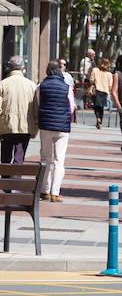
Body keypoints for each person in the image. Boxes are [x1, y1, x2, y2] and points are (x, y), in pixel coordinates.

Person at [36, 60, 75, 201]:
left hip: (46, 126)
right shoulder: (67, 87)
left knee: (45, 158)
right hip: (62, 127)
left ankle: (44, 190)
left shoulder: (41, 86)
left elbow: (39, 103)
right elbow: (71, 107)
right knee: (59, 160)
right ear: (60, 71)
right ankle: (55, 192)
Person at [0, 55, 37, 164]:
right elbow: (35, 109)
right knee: (19, 157)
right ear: (23, 67)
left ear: (10, 67)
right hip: (25, 127)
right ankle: (16, 179)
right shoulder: (31, 85)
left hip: (6, 126)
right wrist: (35, 129)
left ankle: (5, 180)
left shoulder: (3, 84)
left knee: (5, 157)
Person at [89, 58, 114, 129]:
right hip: (104, 91)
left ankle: (97, 118)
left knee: (96, 106)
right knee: (101, 107)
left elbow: (91, 80)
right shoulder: (109, 74)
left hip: (96, 90)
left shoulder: (95, 70)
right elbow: (110, 85)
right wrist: (110, 92)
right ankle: (100, 121)